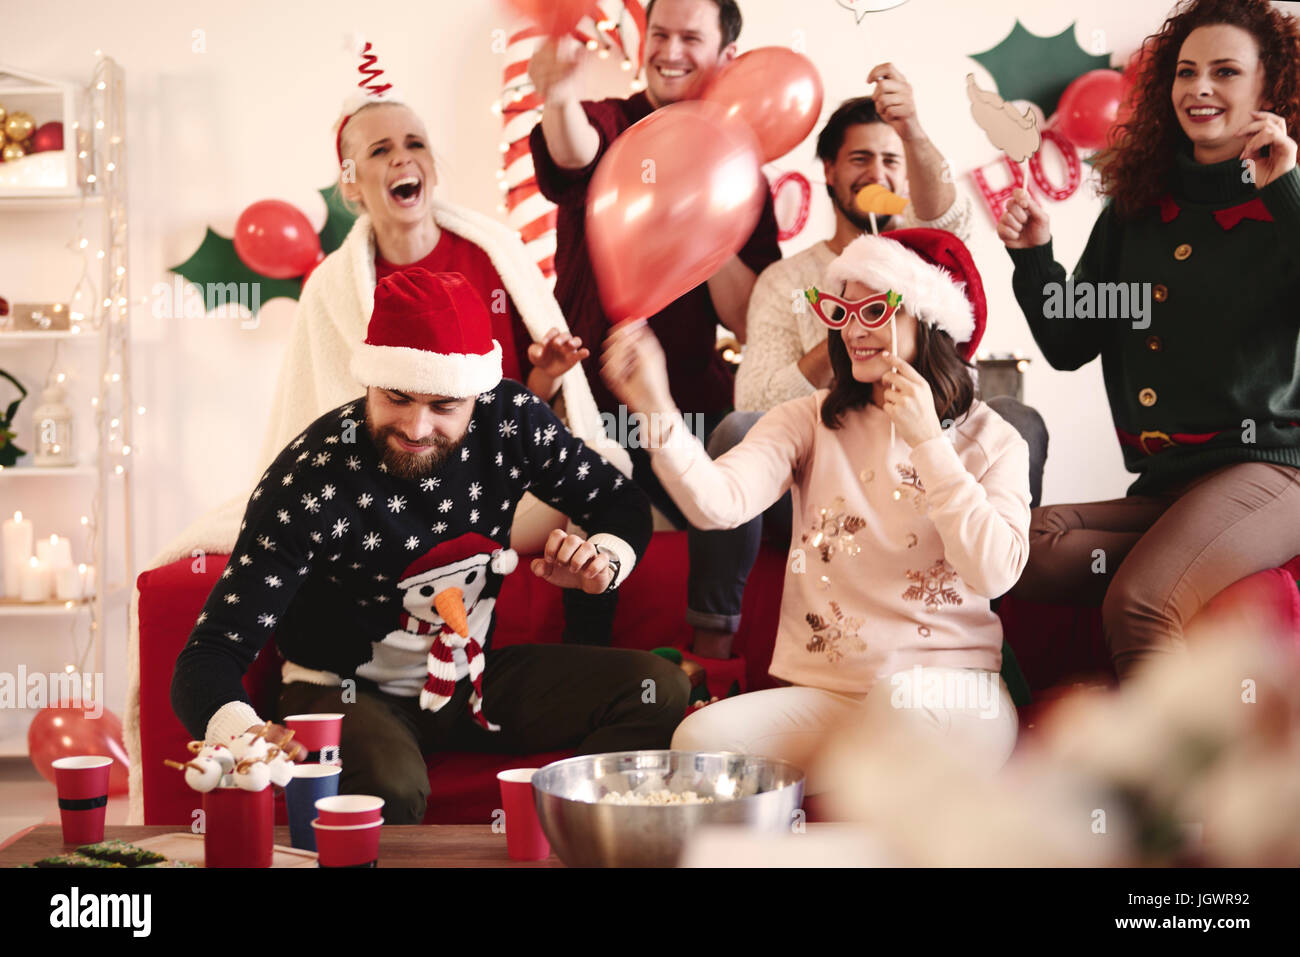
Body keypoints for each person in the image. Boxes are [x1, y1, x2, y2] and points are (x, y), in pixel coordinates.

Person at [172, 269, 688, 825]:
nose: (417, 428)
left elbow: (619, 501)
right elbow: (208, 656)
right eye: (397, 397)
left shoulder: (510, 421)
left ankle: (572, 839)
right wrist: (247, 736)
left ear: (477, 395)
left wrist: (603, 561)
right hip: (346, 692)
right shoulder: (311, 477)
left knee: (659, 688)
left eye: (444, 406)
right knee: (392, 788)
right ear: (370, 380)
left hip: (473, 677)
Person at [603, 229, 1030, 789]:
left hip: (953, 697)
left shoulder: (992, 438)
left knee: (902, 712)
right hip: (835, 699)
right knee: (699, 743)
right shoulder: (809, 419)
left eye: (874, 310)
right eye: (843, 311)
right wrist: (654, 405)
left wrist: (928, 442)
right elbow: (716, 505)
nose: (853, 330)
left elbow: (994, 572)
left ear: (930, 320)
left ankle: (850, 799)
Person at [998, 0, 1300, 681]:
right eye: (1186, 71)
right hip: (1169, 485)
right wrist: (1035, 258)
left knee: (1139, 604)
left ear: (1269, 86)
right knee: (1028, 547)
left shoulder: (1289, 199)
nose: (1200, 88)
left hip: (1274, 471)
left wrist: (1285, 187)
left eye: (1225, 71)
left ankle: (1168, 754)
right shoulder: (1137, 209)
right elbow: (1070, 341)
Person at [689, 84, 1045, 659]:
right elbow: (753, 399)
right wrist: (849, 322)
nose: (876, 172)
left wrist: (913, 131)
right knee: (734, 430)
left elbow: (950, 212)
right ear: (829, 172)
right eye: (859, 158)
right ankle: (713, 637)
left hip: (928, 463)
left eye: (890, 159)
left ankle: (987, 605)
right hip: (825, 472)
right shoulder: (787, 283)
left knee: (1019, 419)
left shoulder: (929, 259)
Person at [258, 70, 631, 559]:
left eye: (415, 143)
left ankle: (582, 606)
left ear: (432, 165)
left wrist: (548, 372)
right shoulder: (332, 287)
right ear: (351, 183)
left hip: (496, 482)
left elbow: (519, 411)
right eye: (380, 150)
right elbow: (322, 412)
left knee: (609, 471)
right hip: (391, 495)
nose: (402, 157)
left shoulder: (493, 253)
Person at [528, 0, 782, 645]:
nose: (669, 51)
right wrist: (557, 93)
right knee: (596, 492)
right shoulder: (612, 121)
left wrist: (705, 203)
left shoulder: (744, 169)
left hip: (685, 405)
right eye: (659, 34)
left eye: (690, 38)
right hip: (588, 398)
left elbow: (746, 318)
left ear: (726, 55)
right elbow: (573, 149)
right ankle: (587, 667)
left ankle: (713, 657)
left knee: (728, 486)